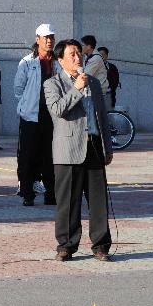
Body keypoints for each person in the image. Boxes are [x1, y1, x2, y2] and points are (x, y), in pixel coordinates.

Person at [44, 39, 113, 262]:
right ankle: (66, 245)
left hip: (93, 145)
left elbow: (102, 114)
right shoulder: (52, 84)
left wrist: (108, 146)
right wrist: (76, 89)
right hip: (68, 149)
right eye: (72, 54)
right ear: (60, 59)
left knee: (98, 200)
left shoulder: (92, 82)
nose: (77, 58)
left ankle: (101, 245)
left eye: (79, 54)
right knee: (68, 202)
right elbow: (57, 110)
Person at [13, 24, 61, 206]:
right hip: (30, 115)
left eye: (52, 37)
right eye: (46, 37)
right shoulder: (27, 62)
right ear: (38, 39)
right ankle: (27, 193)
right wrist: (26, 104)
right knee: (27, 155)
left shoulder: (57, 62)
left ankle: (51, 194)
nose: (49, 41)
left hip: (52, 114)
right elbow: (18, 88)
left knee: (50, 155)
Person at [80, 35, 111, 110]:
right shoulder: (88, 57)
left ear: (89, 46)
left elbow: (85, 75)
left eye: (82, 45)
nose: (81, 47)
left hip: (97, 92)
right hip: (93, 91)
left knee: (93, 117)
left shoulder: (95, 58)